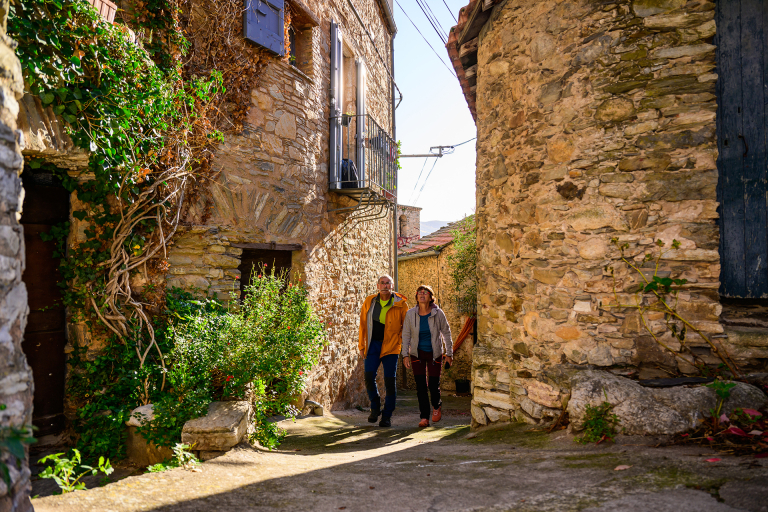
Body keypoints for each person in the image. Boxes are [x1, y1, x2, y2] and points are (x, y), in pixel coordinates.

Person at [359, 274, 408, 427]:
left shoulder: (401, 304)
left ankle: (386, 415)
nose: (385, 286)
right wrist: (362, 345)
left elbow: (405, 328)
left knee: (389, 381)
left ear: (392, 286)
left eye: (388, 283)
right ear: (378, 285)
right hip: (373, 345)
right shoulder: (370, 301)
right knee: (368, 377)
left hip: (391, 346)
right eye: (382, 283)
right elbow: (362, 324)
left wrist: (400, 343)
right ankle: (375, 407)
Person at [402, 285, 453, 428]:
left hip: (435, 353)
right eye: (419, 293)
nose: (422, 294)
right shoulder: (410, 314)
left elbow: (446, 333)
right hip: (417, 354)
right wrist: (405, 354)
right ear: (416, 297)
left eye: (425, 293)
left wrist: (449, 353)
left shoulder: (438, 313)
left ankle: (437, 406)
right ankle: (424, 416)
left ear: (431, 297)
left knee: (433, 385)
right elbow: (406, 335)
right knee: (421, 386)